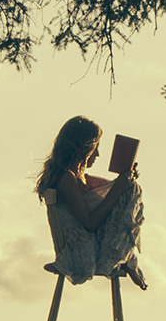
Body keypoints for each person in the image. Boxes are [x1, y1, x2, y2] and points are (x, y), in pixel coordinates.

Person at [36, 115, 147, 289]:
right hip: (81, 252)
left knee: (129, 189)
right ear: (83, 148)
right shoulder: (66, 179)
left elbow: (104, 194)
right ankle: (124, 255)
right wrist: (118, 188)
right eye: (95, 148)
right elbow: (90, 223)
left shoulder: (79, 179)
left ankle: (126, 255)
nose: (97, 154)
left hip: (89, 244)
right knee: (129, 192)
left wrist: (123, 182)